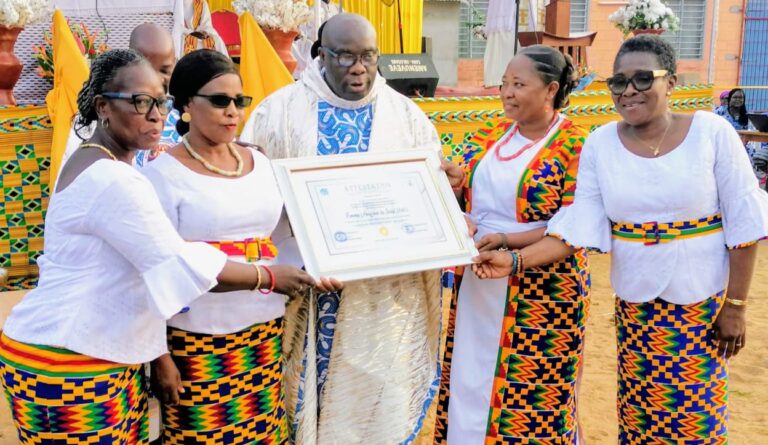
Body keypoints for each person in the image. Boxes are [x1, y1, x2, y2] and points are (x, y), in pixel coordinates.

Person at [0, 49, 334, 445]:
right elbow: (176, 261)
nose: (157, 114)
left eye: (160, 101)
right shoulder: (116, 180)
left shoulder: (99, 161)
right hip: (71, 357)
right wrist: (265, 276)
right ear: (103, 107)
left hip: (102, 349)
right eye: (141, 102)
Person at [472, 35, 768, 444]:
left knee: (695, 415)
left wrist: (735, 306)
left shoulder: (711, 133)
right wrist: (514, 257)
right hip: (636, 306)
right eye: (619, 82)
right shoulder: (602, 143)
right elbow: (579, 222)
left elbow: (744, 224)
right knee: (639, 412)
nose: (629, 90)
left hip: (701, 305)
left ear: (672, 82)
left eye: (644, 79)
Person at [240, 13, 447, 444]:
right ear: (320, 55)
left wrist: (445, 185)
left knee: (378, 401)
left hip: (383, 294)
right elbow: (252, 194)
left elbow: (427, 196)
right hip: (309, 289)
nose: (359, 67)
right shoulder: (280, 112)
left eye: (369, 56)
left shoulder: (406, 117)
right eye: (346, 56)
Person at [143, 49, 342, 444]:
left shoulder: (261, 163)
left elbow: (293, 231)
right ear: (184, 105)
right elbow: (155, 272)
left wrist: (330, 262)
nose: (233, 111)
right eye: (219, 101)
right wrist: (160, 358)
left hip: (262, 332)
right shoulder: (161, 176)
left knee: (261, 433)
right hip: (196, 339)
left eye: (239, 101)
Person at [432, 46, 589, 444]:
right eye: (504, 83)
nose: (507, 93)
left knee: (531, 394)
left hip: (545, 291)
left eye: (519, 84)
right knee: (471, 375)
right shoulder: (491, 134)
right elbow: (464, 193)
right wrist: (453, 185)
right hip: (480, 280)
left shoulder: (576, 144)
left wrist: (506, 242)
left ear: (551, 89)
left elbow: (573, 222)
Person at [60, 23, 181, 171]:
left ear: (174, 64)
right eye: (147, 69)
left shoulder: (183, 116)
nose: (155, 79)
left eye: (164, 70)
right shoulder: (97, 122)